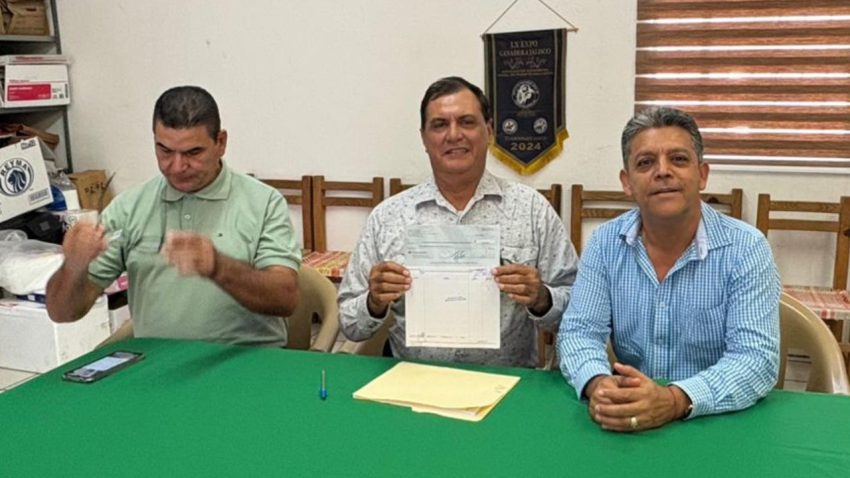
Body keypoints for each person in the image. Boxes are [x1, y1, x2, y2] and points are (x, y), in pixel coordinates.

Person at [557, 107, 780, 432]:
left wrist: (674, 400)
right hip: (629, 420)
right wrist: (598, 383)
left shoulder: (746, 248)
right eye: (645, 163)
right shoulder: (605, 243)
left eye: (678, 159)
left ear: (702, 174)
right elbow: (579, 332)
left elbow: (756, 359)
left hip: (715, 422)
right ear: (627, 182)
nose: (662, 171)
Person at [338, 76, 578, 367]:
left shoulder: (531, 210)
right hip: (413, 380)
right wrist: (374, 302)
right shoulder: (388, 217)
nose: (454, 135)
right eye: (440, 125)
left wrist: (542, 298)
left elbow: (580, 313)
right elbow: (349, 323)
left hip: (508, 382)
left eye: (466, 122)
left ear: (489, 131)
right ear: (424, 138)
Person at [46, 86, 300, 347]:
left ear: (221, 143)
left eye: (193, 153)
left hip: (246, 359)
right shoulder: (129, 208)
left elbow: (286, 299)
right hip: (159, 362)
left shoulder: (264, 202)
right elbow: (61, 313)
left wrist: (219, 267)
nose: (177, 167)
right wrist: (73, 266)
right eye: (165, 151)